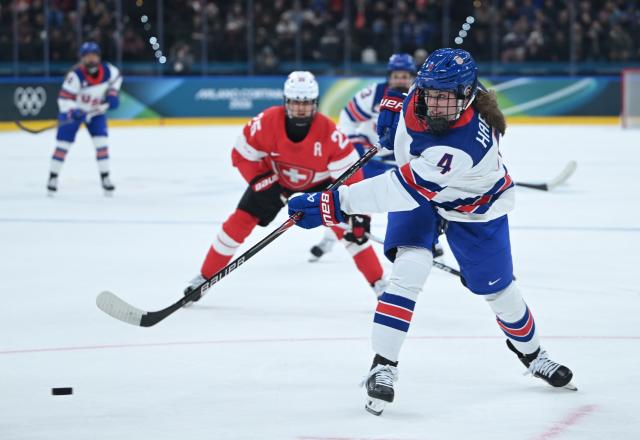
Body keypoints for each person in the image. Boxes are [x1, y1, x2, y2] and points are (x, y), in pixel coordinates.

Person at [288, 49, 576, 416]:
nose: (436, 105)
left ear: (467, 96)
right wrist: (394, 114)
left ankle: (534, 355)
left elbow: (399, 189)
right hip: (426, 195)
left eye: (446, 98)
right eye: (431, 94)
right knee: (409, 270)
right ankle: (383, 366)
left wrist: (333, 202)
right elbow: (409, 120)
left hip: (474, 209)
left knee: (501, 292)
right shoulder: (425, 92)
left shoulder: (463, 143)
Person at [184, 71, 387, 303]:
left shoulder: (330, 134)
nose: (301, 109)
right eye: (295, 103)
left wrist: (359, 216)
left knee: (352, 234)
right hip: (275, 181)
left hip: (319, 186)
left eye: (307, 103)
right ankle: (204, 277)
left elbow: (352, 176)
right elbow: (241, 154)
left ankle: (379, 283)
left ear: (315, 103)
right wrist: (261, 181)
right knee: (237, 223)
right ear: (285, 101)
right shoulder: (266, 122)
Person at [308, 53, 417, 262]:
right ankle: (329, 239)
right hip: (373, 160)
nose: (401, 80)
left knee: (418, 199)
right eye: (397, 75)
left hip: (405, 162)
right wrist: (355, 143)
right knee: (351, 198)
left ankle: (430, 241)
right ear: (389, 76)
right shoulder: (374, 94)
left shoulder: (420, 97)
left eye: (405, 75)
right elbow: (348, 117)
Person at [47, 41, 122, 196]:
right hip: (73, 114)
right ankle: (52, 178)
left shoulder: (110, 71)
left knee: (101, 144)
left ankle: (105, 177)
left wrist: (113, 93)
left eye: (94, 55)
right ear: (82, 58)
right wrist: (73, 110)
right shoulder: (74, 76)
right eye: (87, 56)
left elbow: (116, 79)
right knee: (63, 145)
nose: (91, 59)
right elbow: (64, 99)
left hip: (95, 113)